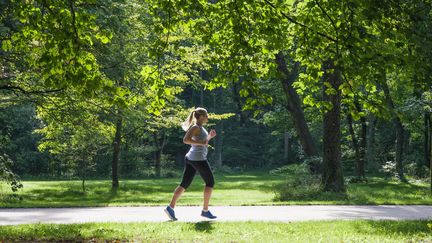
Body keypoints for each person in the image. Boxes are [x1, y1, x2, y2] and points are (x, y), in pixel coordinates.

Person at [164, 107, 217, 221]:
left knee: (184, 184)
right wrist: (201, 142)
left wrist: (209, 137)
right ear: (201, 116)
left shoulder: (200, 128)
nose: (207, 118)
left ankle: (170, 207)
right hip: (198, 159)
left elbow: (203, 143)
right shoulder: (195, 127)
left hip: (192, 158)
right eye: (206, 116)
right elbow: (186, 140)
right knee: (210, 182)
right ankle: (205, 211)